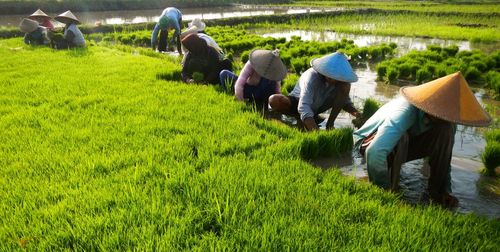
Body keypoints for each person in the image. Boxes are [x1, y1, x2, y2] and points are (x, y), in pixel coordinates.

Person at [352, 72, 492, 207]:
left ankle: (437, 194)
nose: (446, 117)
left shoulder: (447, 123)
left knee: (445, 131)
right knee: (402, 138)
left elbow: (445, 157)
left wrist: (446, 190)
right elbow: (375, 151)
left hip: (399, 145)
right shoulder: (406, 111)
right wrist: (382, 191)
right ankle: (390, 189)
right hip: (368, 143)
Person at [269, 52, 360, 131]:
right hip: (297, 103)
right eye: (331, 76)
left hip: (318, 107)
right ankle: (303, 118)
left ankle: (329, 124)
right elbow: (303, 106)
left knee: (345, 86)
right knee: (275, 100)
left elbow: (344, 101)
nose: (334, 79)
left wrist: (356, 114)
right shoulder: (312, 77)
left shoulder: (342, 81)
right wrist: (315, 131)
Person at [219, 49, 287, 109]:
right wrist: (241, 101)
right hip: (250, 90)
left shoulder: (275, 69)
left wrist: (277, 100)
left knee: (269, 83)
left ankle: (261, 102)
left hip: (265, 93)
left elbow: (277, 88)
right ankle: (255, 100)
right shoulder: (252, 63)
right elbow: (240, 83)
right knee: (224, 74)